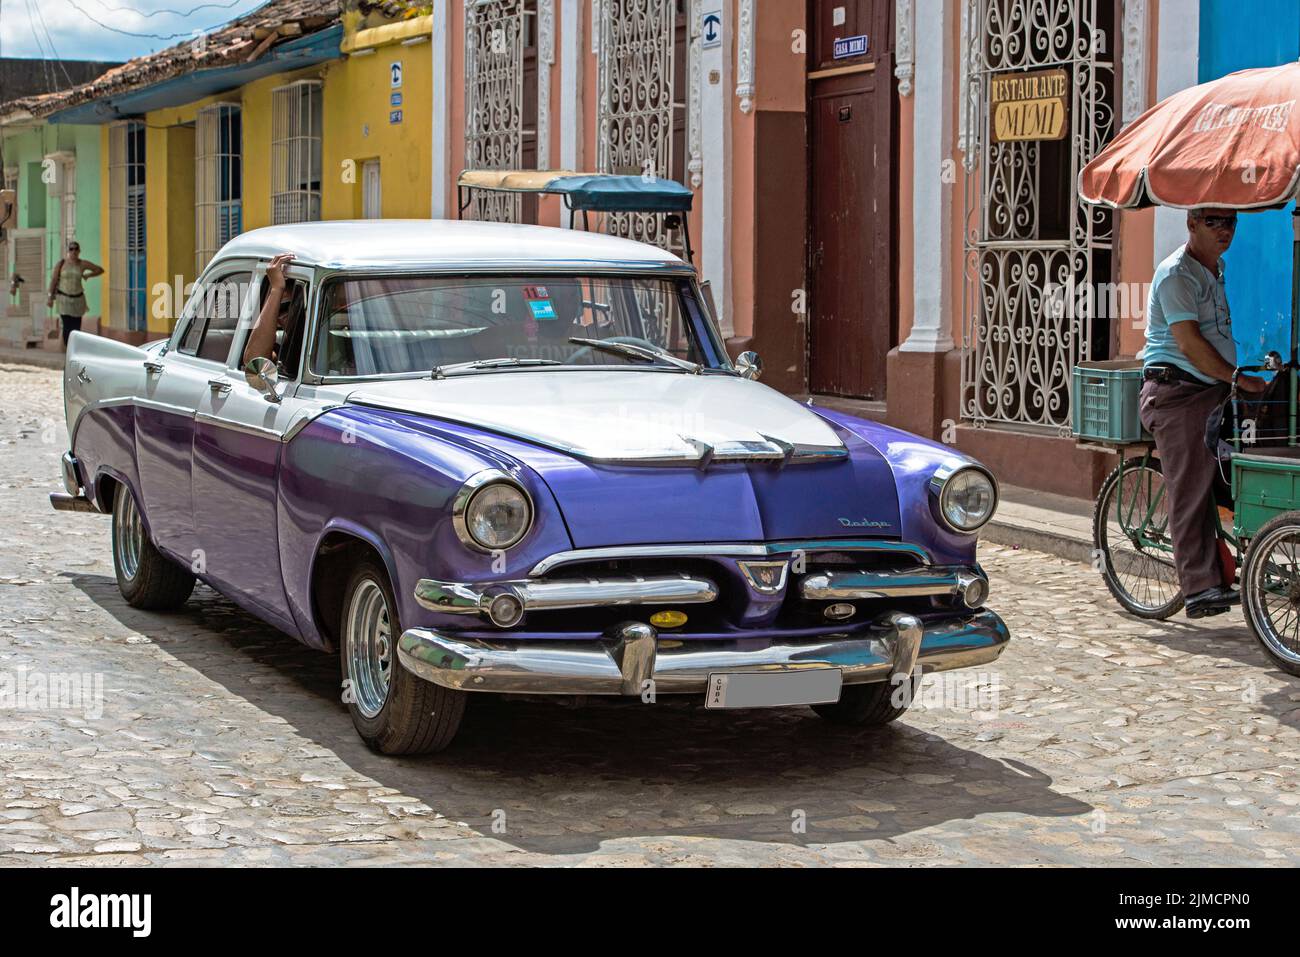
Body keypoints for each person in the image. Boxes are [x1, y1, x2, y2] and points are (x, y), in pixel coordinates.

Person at [1138, 208, 1268, 619]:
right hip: (1176, 392)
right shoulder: (1178, 274)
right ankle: (1197, 587)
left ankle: (1237, 560)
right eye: (1213, 221)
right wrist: (1238, 379)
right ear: (1191, 223)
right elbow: (1191, 344)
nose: (1224, 230)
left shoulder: (1216, 269)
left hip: (1210, 391)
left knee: (1236, 470)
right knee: (1191, 485)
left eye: (1230, 221)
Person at [241, 252, 298, 371]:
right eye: (279, 310)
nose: (280, 318)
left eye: (289, 306)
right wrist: (277, 289)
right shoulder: (284, 348)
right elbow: (255, 365)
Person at [47, 241, 103, 348]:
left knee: (76, 327)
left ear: (79, 251)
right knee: (67, 326)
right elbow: (54, 280)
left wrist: (88, 275)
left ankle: (74, 348)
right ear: (68, 251)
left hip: (78, 299)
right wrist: (50, 297)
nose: (73, 251)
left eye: (76, 249)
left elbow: (100, 270)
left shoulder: (82, 264)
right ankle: (68, 348)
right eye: (71, 249)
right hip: (64, 298)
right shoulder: (61, 264)